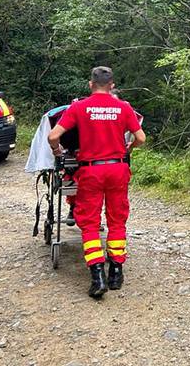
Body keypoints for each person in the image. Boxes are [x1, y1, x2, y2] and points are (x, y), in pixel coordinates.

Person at [47, 66, 146, 298]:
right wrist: (129, 147)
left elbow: (53, 136)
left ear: (90, 85)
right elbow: (141, 137)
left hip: (91, 171)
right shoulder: (124, 107)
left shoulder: (79, 107)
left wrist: (57, 151)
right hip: (118, 168)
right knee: (117, 220)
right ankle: (116, 272)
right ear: (112, 86)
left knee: (90, 223)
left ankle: (97, 276)